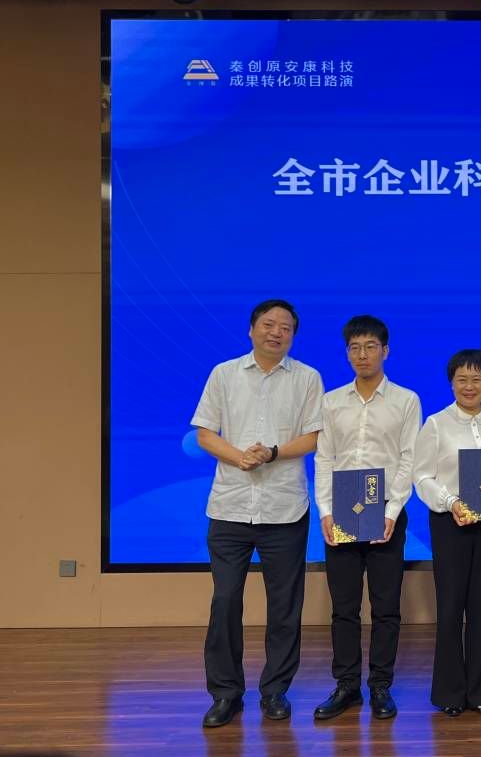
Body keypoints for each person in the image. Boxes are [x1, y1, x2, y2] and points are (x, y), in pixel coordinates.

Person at [191, 299, 324, 728]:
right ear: (251, 329)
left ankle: (275, 690)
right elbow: (205, 432)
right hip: (230, 507)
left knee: (284, 606)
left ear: (293, 335)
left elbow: (314, 437)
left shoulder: (307, 378)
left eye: (286, 327)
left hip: (285, 508)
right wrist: (239, 457)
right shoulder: (224, 374)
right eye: (269, 324)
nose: (276, 332)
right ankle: (225, 693)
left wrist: (271, 453)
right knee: (225, 600)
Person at [312, 315, 421, 722]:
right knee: (343, 606)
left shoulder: (406, 400)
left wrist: (392, 511)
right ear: (347, 353)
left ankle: (380, 685)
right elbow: (324, 459)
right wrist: (325, 510)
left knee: (385, 605)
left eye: (370, 347)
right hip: (342, 508)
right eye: (355, 348)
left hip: (387, 510)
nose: (363, 355)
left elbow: (409, 459)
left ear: (385, 351)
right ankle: (346, 686)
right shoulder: (331, 401)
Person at [414, 348, 481, 717]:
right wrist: (450, 501)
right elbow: (421, 477)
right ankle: (450, 693)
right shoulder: (436, 424)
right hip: (450, 523)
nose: (469, 386)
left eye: (476, 379)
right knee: (450, 607)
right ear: (451, 383)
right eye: (462, 379)